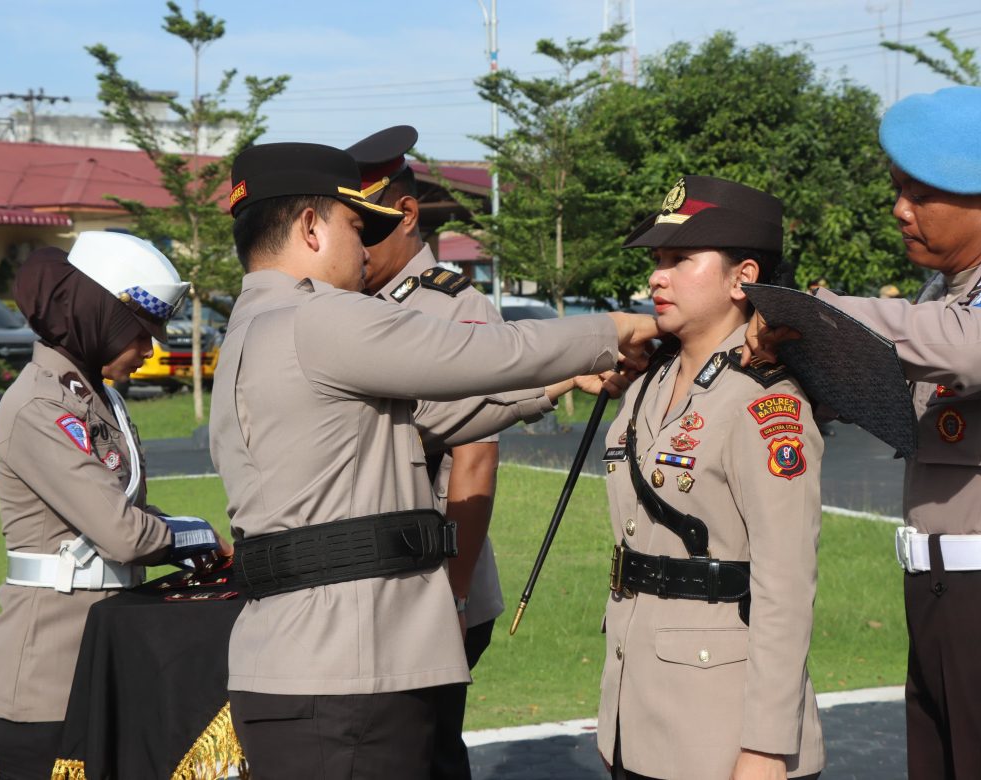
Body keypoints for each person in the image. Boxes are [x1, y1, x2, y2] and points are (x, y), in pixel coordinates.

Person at [210, 141, 657, 780]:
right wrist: (608, 330)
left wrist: (559, 384)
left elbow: (422, 423)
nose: (364, 252)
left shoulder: (256, 326)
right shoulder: (321, 320)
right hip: (348, 674)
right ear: (310, 226)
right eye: (355, 227)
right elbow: (480, 353)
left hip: (301, 663)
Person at [745, 85, 981, 779]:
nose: (901, 210)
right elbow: (880, 394)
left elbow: (978, 348)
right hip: (935, 596)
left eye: (922, 194)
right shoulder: (942, 300)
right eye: (898, 188)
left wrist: (821, 314)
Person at [0, 232, 231, 779]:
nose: (151, 349)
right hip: (46, 686)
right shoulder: (39, 406)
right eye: (141, 333)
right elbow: (121, 532)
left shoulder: (94, 397)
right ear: (101, 317)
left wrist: (183, 532)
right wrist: (197, 536)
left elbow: (125, 508)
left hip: (101, 667)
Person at [598, 175, 825, 780]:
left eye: (680, 259)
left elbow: (785, 584)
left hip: (721, 734)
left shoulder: (765, 404)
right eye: (656, 260)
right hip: (635, 713)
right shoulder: (644, 386)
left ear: (742, 278)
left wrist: (767, 748)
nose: (657, 276)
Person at [348, 124, 546, 779]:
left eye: (364, 228)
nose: (353, 244)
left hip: (435, 583)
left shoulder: (453, 308)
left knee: (423, 752)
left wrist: (454, 602)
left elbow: (474, 459)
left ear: (405, 215)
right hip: (370, 581)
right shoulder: (354, 305)